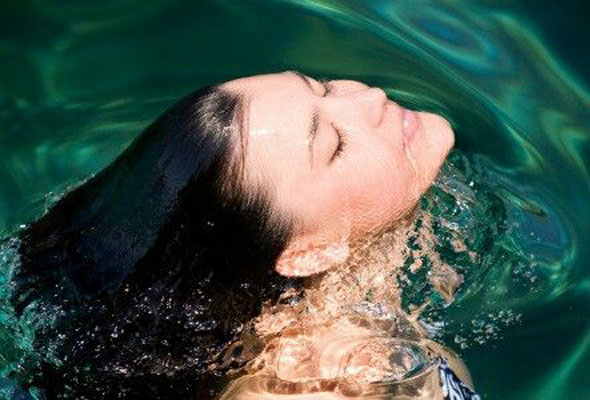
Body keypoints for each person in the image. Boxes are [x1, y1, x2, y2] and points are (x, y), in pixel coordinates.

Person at [8, 70, 455, 399]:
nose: (371, 96)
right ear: (308, 253)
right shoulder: (339, 381)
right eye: (335, 145)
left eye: (324, 88)